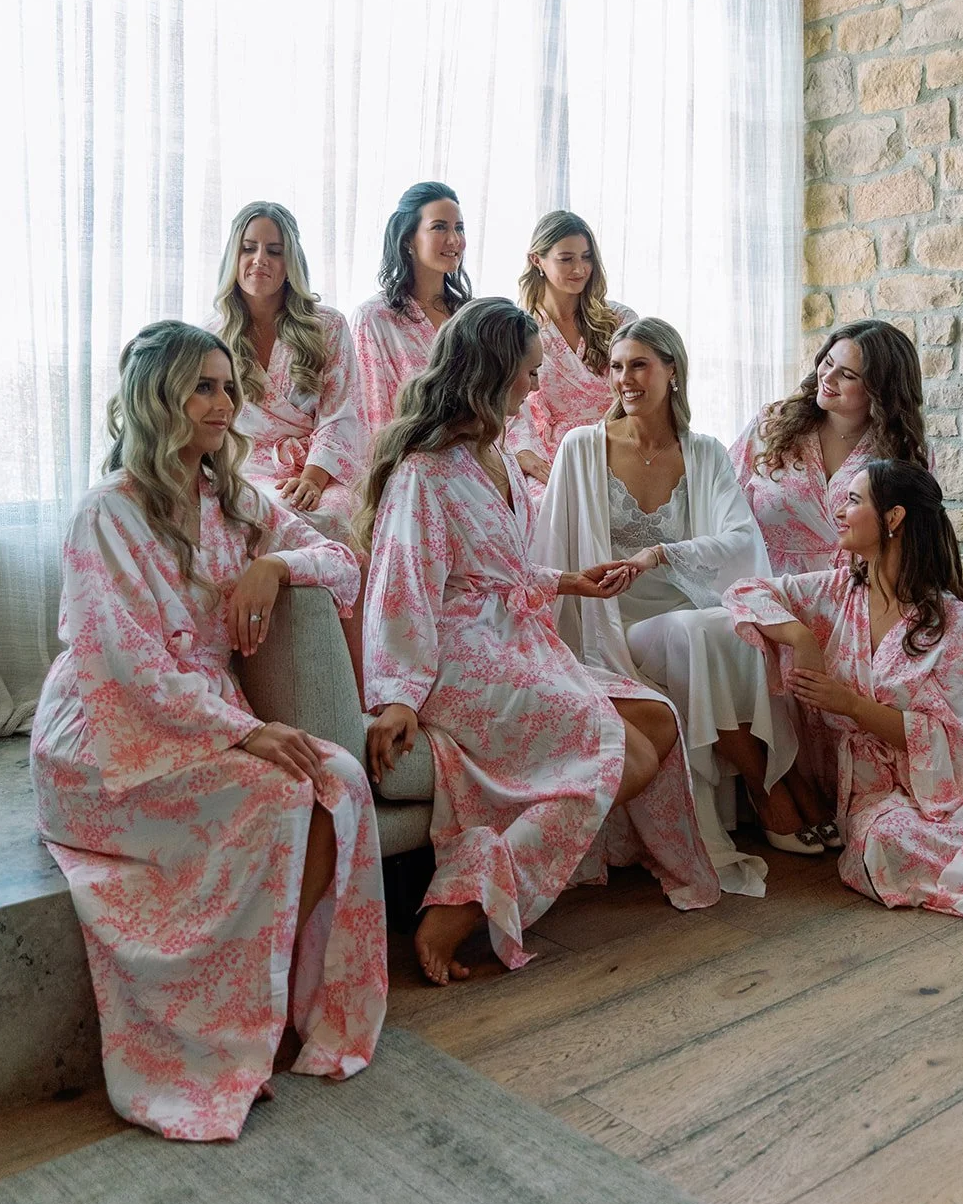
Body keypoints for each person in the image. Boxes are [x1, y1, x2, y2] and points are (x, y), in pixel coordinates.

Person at [31, 321, 388, 1141]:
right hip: (105, 732)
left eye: (228, 386)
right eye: (203, 387)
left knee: (337, 780)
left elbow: (344, 565)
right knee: (274, 793)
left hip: (206, 720)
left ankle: (270, 1007)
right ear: (158, 400)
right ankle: (225, 1031)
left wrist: (277, 563)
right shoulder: (106, 513)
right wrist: (242, 731)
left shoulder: (235, 500)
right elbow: (124, 664)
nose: (225, 403)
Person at [354, 298, 719, 986]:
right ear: (490, 372)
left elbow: (502, 571)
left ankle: (513, 866)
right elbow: (402, 588)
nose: (534, 386)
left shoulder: (493, 457)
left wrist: (567, 582)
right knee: (615, 751)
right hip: (462, 661)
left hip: (520, 642)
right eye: (527, 372)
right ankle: (463, 897)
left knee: (652, 720)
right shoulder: (424, 472)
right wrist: (396, 697)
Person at [535, 319, 830, 892]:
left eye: (639, 365)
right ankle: (768, 788)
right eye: (617, 366)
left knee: (726, 624)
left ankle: (775, 786)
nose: (624, 379)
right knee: (701, 632)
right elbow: (550, 545)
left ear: (672, 371)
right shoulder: (581, 447)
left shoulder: (704, 453)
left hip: (689, 605)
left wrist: (660, 554)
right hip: (615, 624)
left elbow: (742, 539)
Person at [724, 461, 963, 924]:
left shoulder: (950, 622)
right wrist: (800, 637)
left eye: (854, 501)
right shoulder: (837, 592)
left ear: (893, 518)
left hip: (959, 780)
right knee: (885, 841)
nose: (840, 510)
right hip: (874, 788)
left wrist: (851, 705)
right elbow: (745, 590)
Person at [210, 200, 367, 540]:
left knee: (334, 514)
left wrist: (312, 478)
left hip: (318, 467)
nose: (260, 260)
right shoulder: (211, 335)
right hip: (241, 467)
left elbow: (340, 415)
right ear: (233, 257)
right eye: (248, 248)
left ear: (291, 261)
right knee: (255, 513)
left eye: (275, 251)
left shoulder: (327, 325)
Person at [730, 320, 927, 575]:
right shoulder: (772, 424)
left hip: (858, 594)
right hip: (765, 585)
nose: (828, 377)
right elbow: (724, 500)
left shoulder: (902, 451)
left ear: (880, 390)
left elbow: (912, 542)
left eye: (847, 375)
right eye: (829, 362)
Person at [508, 210, 636, 499]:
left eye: (586, 257)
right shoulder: (517, 329)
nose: (580, 269)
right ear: (536, 260)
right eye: (566, 259)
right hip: (546, 455)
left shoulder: (620, 320)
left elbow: (646, 389)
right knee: (540, 508)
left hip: (615, 447)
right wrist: (522, 452)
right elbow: (501, 402)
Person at [350, 182, 471, 441]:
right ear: (407, 239)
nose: (454, 240)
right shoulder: (374, 318)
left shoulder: (471, 315)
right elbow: (375, 415)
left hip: (480, 453)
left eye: (459, 228)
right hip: (410, 458)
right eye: (439, 227)